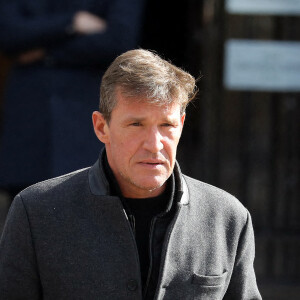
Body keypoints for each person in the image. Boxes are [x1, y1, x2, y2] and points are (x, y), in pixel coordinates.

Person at [0, 49, 262, 299]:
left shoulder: (227, 217)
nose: (154, 144)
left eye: (166, 125)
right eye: (136, 124)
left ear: (181, 126)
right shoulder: (35, 212)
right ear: (102, 127)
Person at [0, 0, 145, 198]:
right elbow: (9, 33)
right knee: (27, 218)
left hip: (87, 124)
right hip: (30, 127)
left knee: (92, 213)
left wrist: (46, 52)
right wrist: (72, 22)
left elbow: (118, 41)